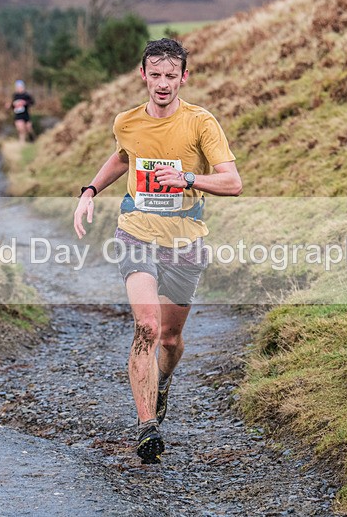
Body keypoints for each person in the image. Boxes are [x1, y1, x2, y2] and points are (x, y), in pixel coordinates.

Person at [73, 38, 242, 464]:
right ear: (142, 75)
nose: (162, 84)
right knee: (147, 326)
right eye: (155, 75)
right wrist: (90, 190)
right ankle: (147, 426)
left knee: (170, 337)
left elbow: (233, 183)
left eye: (171, 76)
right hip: (136, 234)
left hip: (185, 241)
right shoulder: (127, 121)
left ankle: (162, 381)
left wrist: (187, 179)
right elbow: (122, 157)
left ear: (184, 77)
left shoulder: (201, 123)